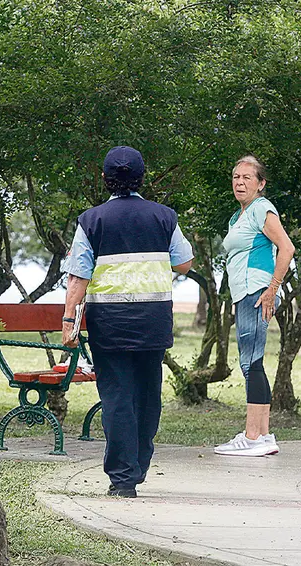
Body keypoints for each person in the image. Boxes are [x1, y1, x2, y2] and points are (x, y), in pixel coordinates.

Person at [61, 146, 193, 498]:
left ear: (105, 180)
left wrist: (68, 322)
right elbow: (184, 263)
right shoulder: (165, 217)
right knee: (148, 398)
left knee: (118, 398)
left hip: (110, 326)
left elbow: (77, 279)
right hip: (152, 324)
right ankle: (139, 467)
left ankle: (123, 478)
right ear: (141, 178)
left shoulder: (91, 220)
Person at [214, 156, 295, 457]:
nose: (239, 182)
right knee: (252, 362)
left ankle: (252, 437)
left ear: (261, 184)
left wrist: (272, 290)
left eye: (247, 177)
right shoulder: (238, 217)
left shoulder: (261, 208)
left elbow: (287, 248)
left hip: (256, 290)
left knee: (251, 362)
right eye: (236, 176)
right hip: (244, 293)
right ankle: (262, 435)